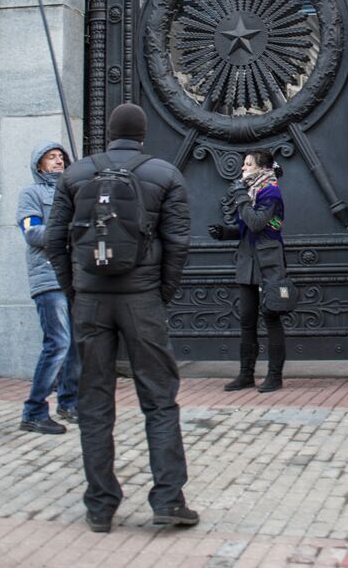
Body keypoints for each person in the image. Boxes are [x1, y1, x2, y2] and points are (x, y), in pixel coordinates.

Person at [44, 103, 196, 533]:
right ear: (143, 134)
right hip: (142, 298)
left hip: (90, 300)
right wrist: (159, 293)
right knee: (160, 399)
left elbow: (54, 241)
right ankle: (168, 499)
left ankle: (100, 505)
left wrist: (75, 291)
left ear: (109, 133)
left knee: (93, 403)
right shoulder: (165, 174)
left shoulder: (75, 175)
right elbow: (179, 243)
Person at [209, 149, 290, 393]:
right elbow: (246, 228)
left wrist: (241, 196)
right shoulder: (250, 192)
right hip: (248, 259)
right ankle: (246, 374)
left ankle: (274, 376)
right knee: (246, 319)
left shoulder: (270, 192)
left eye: (248, 164)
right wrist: (226, 233)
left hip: (269, 259)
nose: (243, 168)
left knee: (272, 316)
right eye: (243, 164)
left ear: (262, 168)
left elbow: (257, 223)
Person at [16, 141, 79, 434]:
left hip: (74, 277)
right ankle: (34, 410)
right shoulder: (32, 194)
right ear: (39, 164)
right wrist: (67, 230)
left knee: (75, 345)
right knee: (58, 343)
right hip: (48, 278)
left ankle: (70, 403)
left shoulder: (73, 191)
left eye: (60, 157)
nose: (58, 161)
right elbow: (32, 232)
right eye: (51, 158)